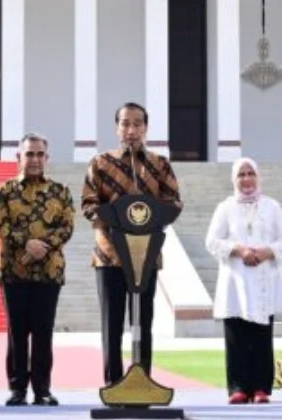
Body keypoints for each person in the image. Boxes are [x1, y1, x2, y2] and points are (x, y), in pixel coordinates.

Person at [81, 102, 182, 386]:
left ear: (146, 127)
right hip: (110, 254)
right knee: (111, 326)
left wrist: (150, 220)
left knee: (143, 323)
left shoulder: (159, 164)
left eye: (137, 124)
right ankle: (113, 384)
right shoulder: (100, 163)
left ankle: (143, 382)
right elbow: (88, 204)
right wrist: (116, 218)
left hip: (146, 254)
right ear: (117, 128)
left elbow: (173, 202)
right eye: (125, 123)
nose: (131, 130)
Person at [0, 132, 75, 407]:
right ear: (19, 157)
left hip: (49, 272)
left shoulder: (60, 191)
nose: (35, 159)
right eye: (29, 154)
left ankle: (42, 390)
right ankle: (17, 390)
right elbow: (1, 225)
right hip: (14, 272)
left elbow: (66, 226)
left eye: (40, 154)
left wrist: (44, 246)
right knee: (16, 332)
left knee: (43, 332)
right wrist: (28, 243)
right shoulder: (5, 190)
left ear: (46, 158)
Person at [204, 157, 282, 404]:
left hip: (264, 276)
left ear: (258, 176)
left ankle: (261, 388)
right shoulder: (225, 207)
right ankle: (238, 388)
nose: (246, 179)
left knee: (262, 335)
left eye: (250, 173)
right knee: (236, 335)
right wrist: (238, 250)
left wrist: (266, 252)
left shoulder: (272, 207)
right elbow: (212, 240)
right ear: (234, 179)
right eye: (241, 175)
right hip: (236, 279)